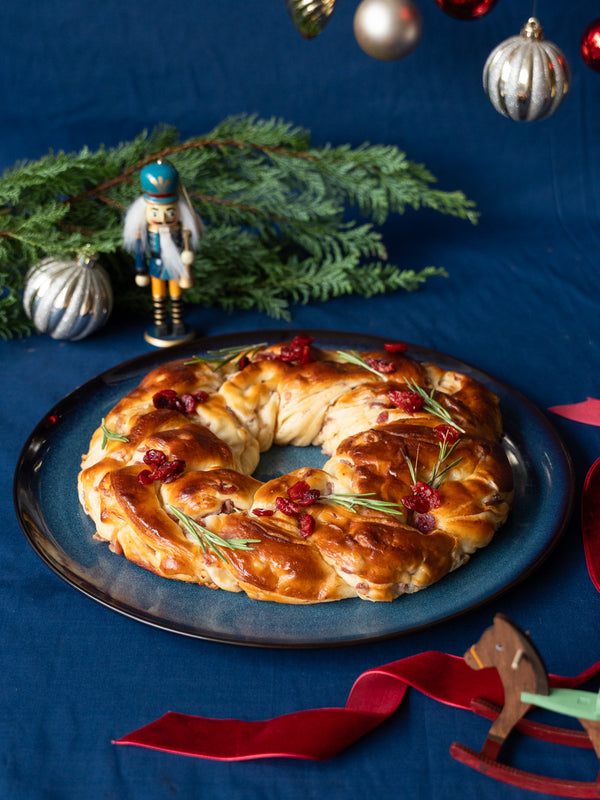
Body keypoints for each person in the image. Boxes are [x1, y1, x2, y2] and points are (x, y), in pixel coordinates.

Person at [123, 160, 203, 346]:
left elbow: (185, 248)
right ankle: (160, 324)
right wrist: (140, 270)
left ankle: (177, 323)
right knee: (158, 296)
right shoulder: (144, 232)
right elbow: (140, 253)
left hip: (175, 267)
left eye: (169, 212)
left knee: (176, 296)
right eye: (156, 212)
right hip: (156, 266)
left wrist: (186, 253)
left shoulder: (181, 231)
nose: (163, 218)